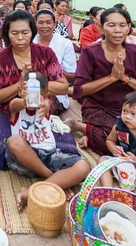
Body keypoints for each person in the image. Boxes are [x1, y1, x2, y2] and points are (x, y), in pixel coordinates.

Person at [0, 10, 79, 170]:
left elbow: (61, 86)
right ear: (6, 34)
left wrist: (37, 84)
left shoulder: (45, 53)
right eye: (14, 33)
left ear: (32, 32)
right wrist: (19, 85)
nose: (20, 38)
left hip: (39, 109)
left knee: (66, 147)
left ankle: (34, 164)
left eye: (25, 32)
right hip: (7, 112)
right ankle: (42, 167)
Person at [66, 8, 136, 155]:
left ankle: (86, 129)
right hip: (99, 107)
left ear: (129, 28)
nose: (117, 30)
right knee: (112, 140)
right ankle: (79, 125)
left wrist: (125, 78)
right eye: (111, 25)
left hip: (132, 108)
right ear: (101, 28)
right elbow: (78, 90)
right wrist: (112, 77)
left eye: (122, 25)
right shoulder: (90, 52)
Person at [9, 71, 91, 210]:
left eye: (38, 95)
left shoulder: (46, 105)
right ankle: (53, 179)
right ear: (21, 92)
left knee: (84, 166)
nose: (33, 98)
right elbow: (15, 105)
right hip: (24, 159)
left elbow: (47, 104)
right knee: (14, 141)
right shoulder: (16, 107)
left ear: (46, 95)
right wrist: (24, 101)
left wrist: (45, 104)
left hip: (50, 156)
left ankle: (30, 191)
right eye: (29, 93)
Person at [33, 9, 76, 112]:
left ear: (55, 24)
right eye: (40, 22)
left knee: (38, 108)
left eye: (48, 22)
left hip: (55, 93)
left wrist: (52, 70)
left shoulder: (65, 43)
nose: (44, 26)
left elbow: (72, 77)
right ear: (35, 24)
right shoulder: (29, 41)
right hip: (30, 90)